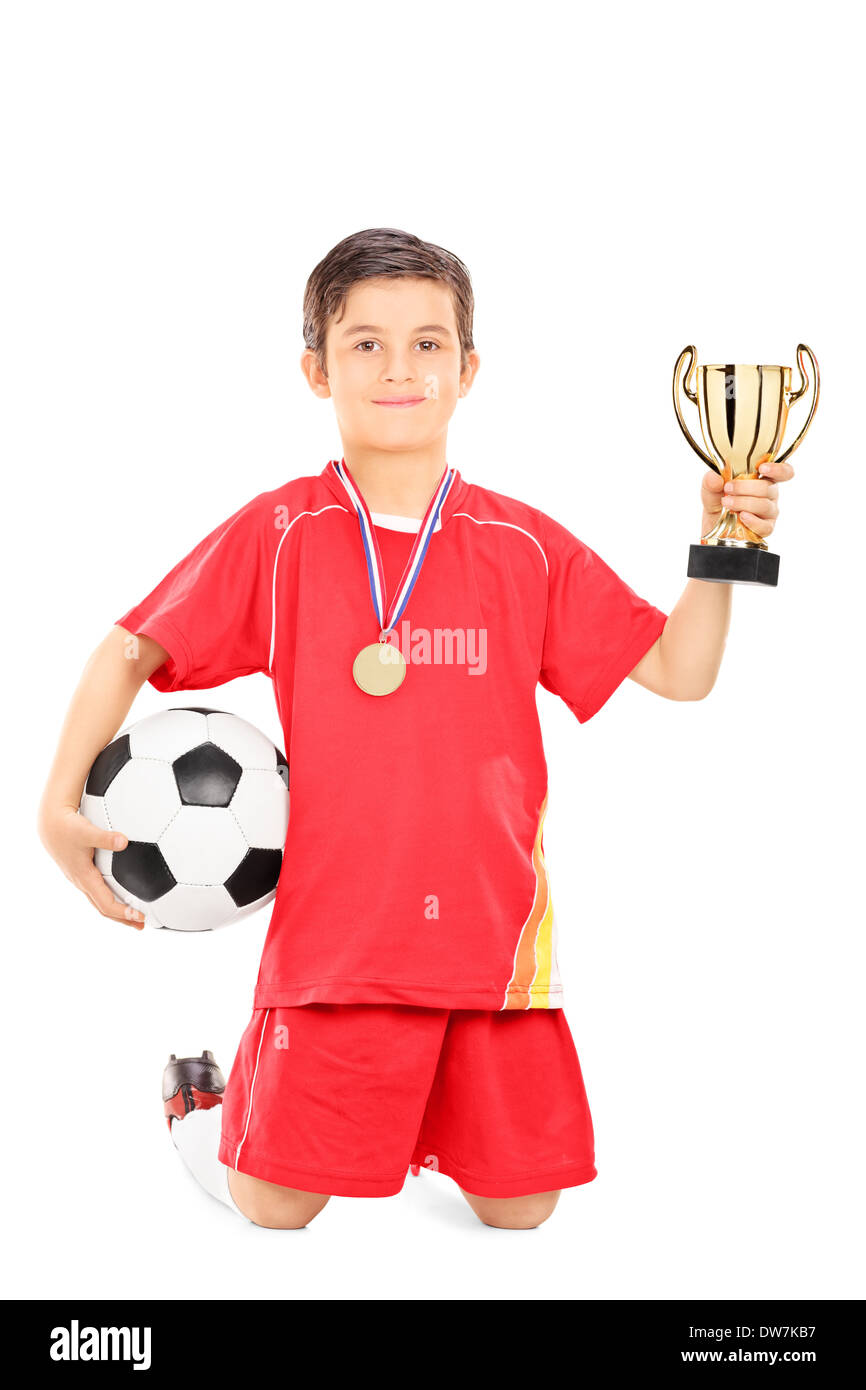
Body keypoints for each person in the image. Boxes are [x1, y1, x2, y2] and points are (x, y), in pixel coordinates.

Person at [37, 227, 790, 1230]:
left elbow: (678, 671)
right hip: (338, 944)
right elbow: (129, 646)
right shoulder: (281, 531)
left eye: (428, 344)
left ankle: (417, 1115)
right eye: (365, 344)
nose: (400, 368)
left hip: (490, 939)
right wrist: (56, 803)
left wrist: (721, 540)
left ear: (468, 368)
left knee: (522, 1211)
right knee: (272, 1206)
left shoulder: (521, 543)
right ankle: (199, 1107)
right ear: (316, 369)